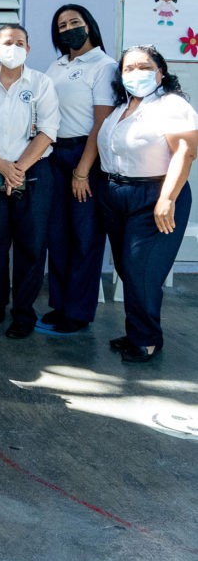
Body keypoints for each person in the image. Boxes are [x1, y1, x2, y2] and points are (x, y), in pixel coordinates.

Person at [98, 45, 198, 362]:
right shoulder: (122, 107)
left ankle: (147, 340)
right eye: (128, 68)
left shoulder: (171, 105)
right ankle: (138, 332)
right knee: (128, 269)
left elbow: (185, 152)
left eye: (144, 66)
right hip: (117, 194)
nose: (135, 73)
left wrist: (167, 198)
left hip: (155, 194)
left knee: (142, 270)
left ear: (160, 72)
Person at [0, 25, 60, 340]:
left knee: (31, 247)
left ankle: (23, 313)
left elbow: (48, 130)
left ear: (28, 50)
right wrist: (1, 165)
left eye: (20, 43)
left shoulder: (41, 83)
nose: (13, 48)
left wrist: (17, 169)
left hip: (33, 173)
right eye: (7, 42)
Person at [40, 4, 117, 335]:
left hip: (85, 155)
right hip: (54, 154)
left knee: (85, 237)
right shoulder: (56, 66)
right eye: (62, 25)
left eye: (75, 22)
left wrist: (82, 171)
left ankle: (78, 312)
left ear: (89, 26)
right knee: (57, 235)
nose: (68, 28)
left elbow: (101, 122)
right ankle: (60, 304)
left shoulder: (104, 65)